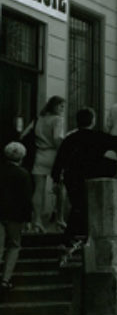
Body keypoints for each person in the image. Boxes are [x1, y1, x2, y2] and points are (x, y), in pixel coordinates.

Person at [52, 108, 117, 252]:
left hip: (72, 176)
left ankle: (73, 237)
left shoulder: (70, 138)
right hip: (92, 175)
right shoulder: (97, 136)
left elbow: (60, 159)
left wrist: (56, 177)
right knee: (88, 206)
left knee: (78, 205)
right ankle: (76, 237)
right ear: (92, 121)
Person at [24, 96, 65, 232]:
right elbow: (56, 138)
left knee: (38, 189)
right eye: (61, 106)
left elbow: (24, 134)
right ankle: (60, 218)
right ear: (54, 106)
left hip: (40, 154)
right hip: (54, 155)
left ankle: (37, 220)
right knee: (60, 187)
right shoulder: (57, 120)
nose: (63, 109)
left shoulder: (39, 119)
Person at [0, 142, 34, 290]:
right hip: (15, 215)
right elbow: (26, 199)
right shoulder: (23, 174)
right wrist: (28, 220)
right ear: (21, 157)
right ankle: (5, 279)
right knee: (14, 245)